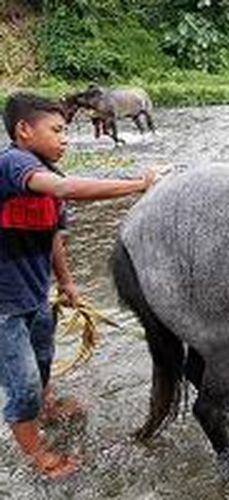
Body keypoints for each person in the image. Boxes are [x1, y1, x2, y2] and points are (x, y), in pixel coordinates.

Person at [0, 93, 155, 479]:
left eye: (66, 131)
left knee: (43, 360)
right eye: (56, 130)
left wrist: (67, 282)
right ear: (23, 130)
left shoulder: (50, 183)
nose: (64, 139)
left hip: (36, 294)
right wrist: (139, 184)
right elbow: (65, 189)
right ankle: (37, 455)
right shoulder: (14, 164)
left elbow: (54, 237)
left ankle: (47, 406)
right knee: (23, 385)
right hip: (3, 304)